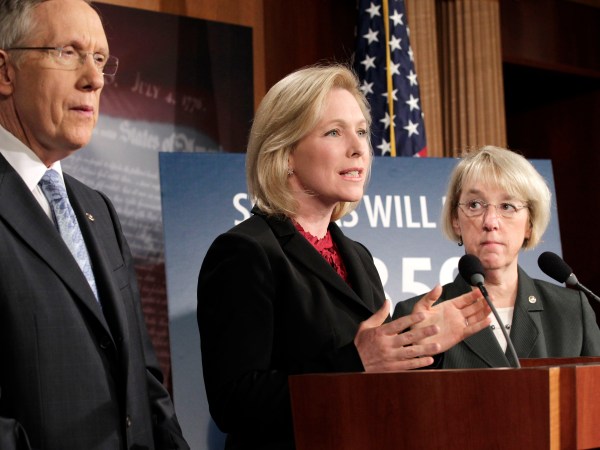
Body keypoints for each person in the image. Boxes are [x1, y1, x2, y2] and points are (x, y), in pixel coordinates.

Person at [196, 64, 491, 450]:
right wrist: (356, 362)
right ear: (285, 152)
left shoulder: (358, 257)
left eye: (362, 132)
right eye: (334, 132)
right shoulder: (245, 252)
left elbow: (380, 387)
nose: (358, 148)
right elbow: (234, 403)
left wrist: (420, 344)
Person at [0, 1, 189, 449]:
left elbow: (144, 379)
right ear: (5, 73)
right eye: (68, 52)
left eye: (100, 59)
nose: (95, 79)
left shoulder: (96, 209)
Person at [394, 145, 600, 368]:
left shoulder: (570, 311)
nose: (490, 221)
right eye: (475, 205)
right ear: (456, 220)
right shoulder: (417, 317)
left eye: (507, 206)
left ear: (529, 224)